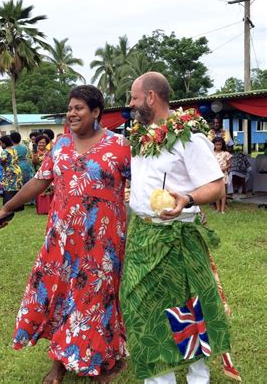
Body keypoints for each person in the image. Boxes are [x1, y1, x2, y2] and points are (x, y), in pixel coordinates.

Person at [0, 85, 131, 383]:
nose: (71, 113)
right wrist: (8, 208)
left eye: (79, 108)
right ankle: (59, 363)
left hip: (103, 242)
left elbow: (145, 184)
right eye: (69, 108)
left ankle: (99, 362)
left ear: (96, 112)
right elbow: (39, 183)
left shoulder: (120, 146)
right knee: (58, 296)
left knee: (96, 297)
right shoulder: (60, 146)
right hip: (61, 239)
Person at [123, 72, 232, 383]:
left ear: (151, 97)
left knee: (188, 307)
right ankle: (160, 377)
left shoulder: (189, 136)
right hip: (143, 235)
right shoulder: (140, 136)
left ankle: (198, 376)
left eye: (134, 97)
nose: (131, 104)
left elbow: (216, 187)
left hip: (178, 236)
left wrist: (186, 197)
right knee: (142, 306)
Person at [0, 135, 23, 211]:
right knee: (17, 187)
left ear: (5, 143)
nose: (1, 145)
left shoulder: (4, 151)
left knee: (8, 188)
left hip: (9, 171)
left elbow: (3, 160)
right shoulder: (14, 150)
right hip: (17, 169)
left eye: (1, 143)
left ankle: (9, 207)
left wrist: (2, 164)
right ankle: (19, 207)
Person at [31, 135, 53, 214]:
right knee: (39, 189)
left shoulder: (49, 152)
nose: (42, 144)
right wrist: (34, 155)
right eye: (40, 142)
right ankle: (41, 209)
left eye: (43, 142)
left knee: (49, 189)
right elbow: (34, 163)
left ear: (46, 143)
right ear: (37, 143)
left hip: (48, 173)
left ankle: (49, 209)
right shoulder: (35, 152)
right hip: (38, 173)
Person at [213, 137, 232, 214]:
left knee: (223, 192)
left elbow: (230, 164)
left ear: (222, 145)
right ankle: (217, 208)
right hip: (215, 174)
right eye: (216, 144)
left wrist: (225, 168)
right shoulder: (211, 153)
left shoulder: (225, 153)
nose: (218, 146)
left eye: (220, 144)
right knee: (216, 192)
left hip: (223, 174)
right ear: (214, 145)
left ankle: (223, 209)